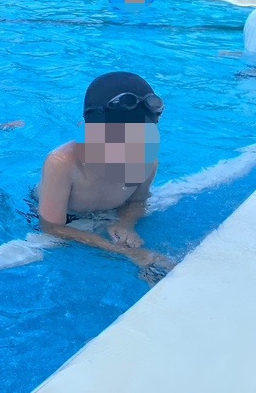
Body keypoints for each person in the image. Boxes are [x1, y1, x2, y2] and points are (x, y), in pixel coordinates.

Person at [36, 72, 172, 281]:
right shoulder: (62, 163)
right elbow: (51, 227)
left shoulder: (147, 161)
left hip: (109, 215)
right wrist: (127, 252)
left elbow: (138, 202)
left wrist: (126, 223)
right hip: (55, 218)